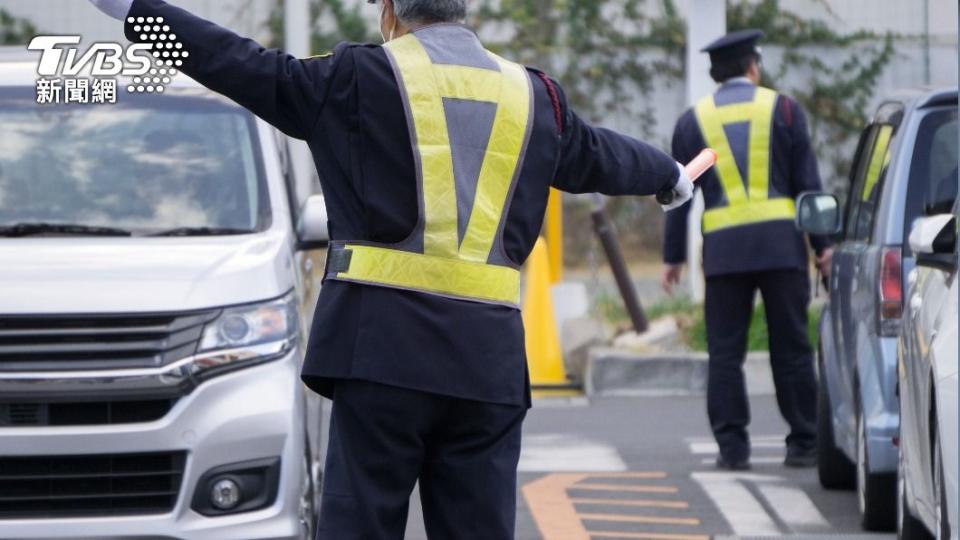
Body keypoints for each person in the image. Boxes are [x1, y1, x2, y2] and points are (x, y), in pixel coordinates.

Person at [88, 0, 694, 536]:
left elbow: (239, 64)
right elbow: (603, 155)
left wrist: (137, 11)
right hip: (488, 366)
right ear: (465, 12)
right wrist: (668, 176)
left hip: (379, 357)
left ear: (389, 13)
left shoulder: (356, 77)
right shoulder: (534, 95)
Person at [660, 29, 832, 470]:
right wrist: (823, 248)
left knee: (725, 353)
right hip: (781, 251)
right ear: (753, 67)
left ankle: (733, 449)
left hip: (725, 256)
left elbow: (678, 192)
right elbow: (808, 187)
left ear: (716, 74)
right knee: (791, 347)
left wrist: (672, 256)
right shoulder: (785, 111)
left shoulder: (691, 122)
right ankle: (804, 443)